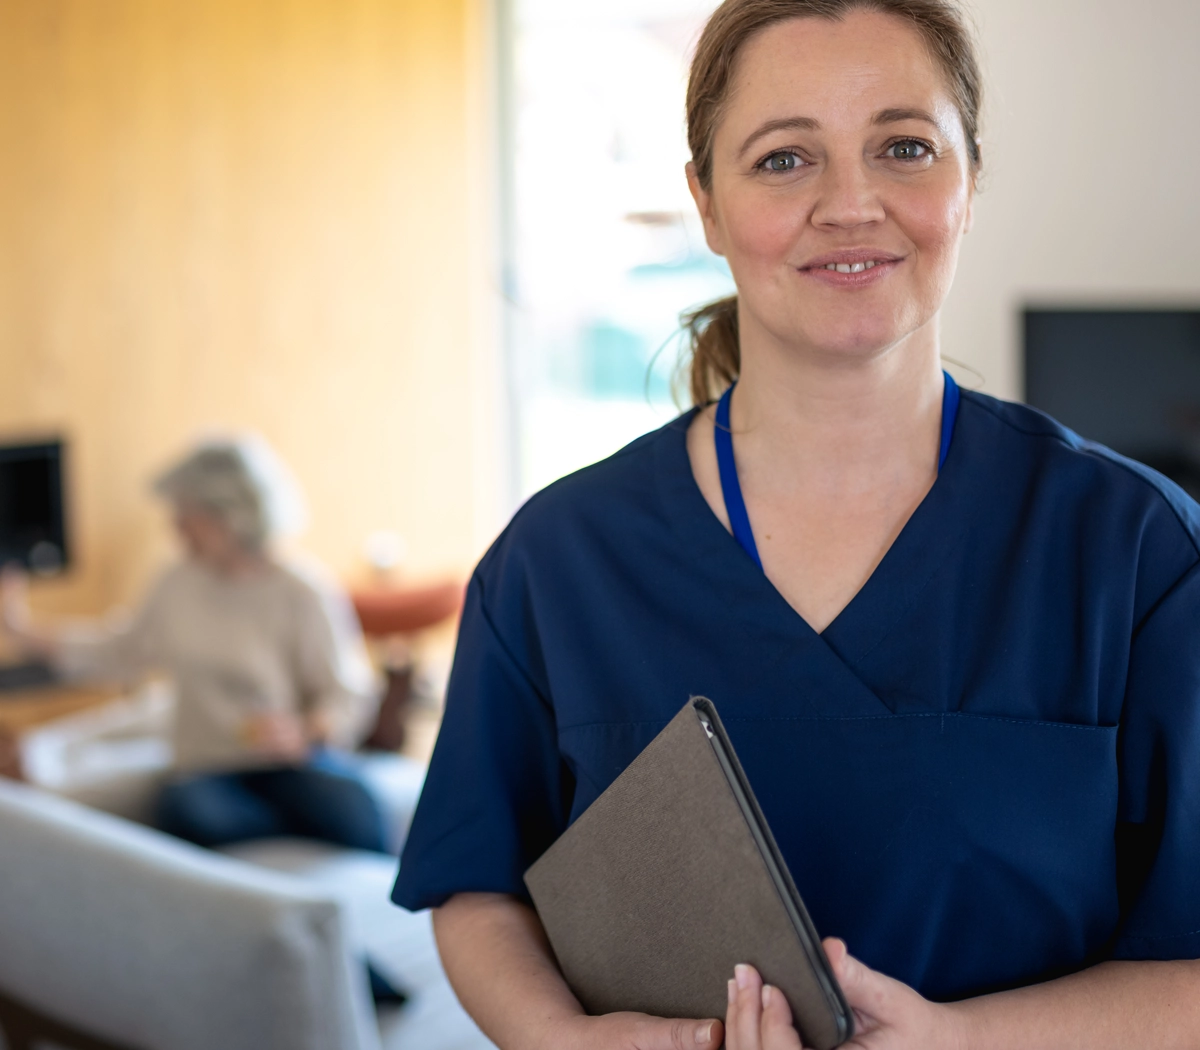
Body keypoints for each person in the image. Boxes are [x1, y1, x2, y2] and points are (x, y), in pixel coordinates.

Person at [392, 1, 1200, 1047]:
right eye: (784, 160)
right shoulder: (559, 563)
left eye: (904, 147)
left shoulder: (1136, 552)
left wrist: (967, 1041)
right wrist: (564, 1040)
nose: (851, 203)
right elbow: (476, 889)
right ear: (707, 204)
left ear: (970, 180)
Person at [1, 437, 388, 854]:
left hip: (291, 762)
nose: (177, 528)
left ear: (231, 514)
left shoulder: (303, 591)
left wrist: (306, 731)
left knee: (356, 805)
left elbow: (347, 694)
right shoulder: (176, 584)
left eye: (188, 514)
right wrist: (20, 629)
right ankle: (288, 834)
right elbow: (118, 650)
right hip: (206, 768)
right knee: (189, 811)